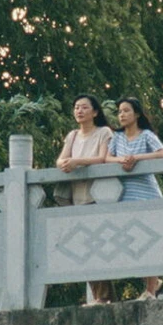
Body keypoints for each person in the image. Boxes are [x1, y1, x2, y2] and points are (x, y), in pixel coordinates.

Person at [106, 97, 163, 301]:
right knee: (131, 241)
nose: (122, 115)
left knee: (147, 238)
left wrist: (136, 159)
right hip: (125, 194)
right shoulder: (117, 137)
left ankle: (150, 289)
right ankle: (153, 282)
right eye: (119, 111)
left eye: (126, 111)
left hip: (146, 193)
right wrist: (121, 160)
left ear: (137, 114)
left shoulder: (146, 135)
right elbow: (107, 158)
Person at [56, 94, 116, 306]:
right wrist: (66, 163)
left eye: (84, 107)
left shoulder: (104, 132)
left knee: (98, 246)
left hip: (98, 195)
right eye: (76, 107)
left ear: (95, 112)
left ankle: (104, 297)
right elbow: (60, 160)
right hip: (77, 196)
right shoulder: (72, 135)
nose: (79, 111)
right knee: (84, 246)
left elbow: (101, 159)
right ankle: (100, 296)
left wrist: (76, 162)